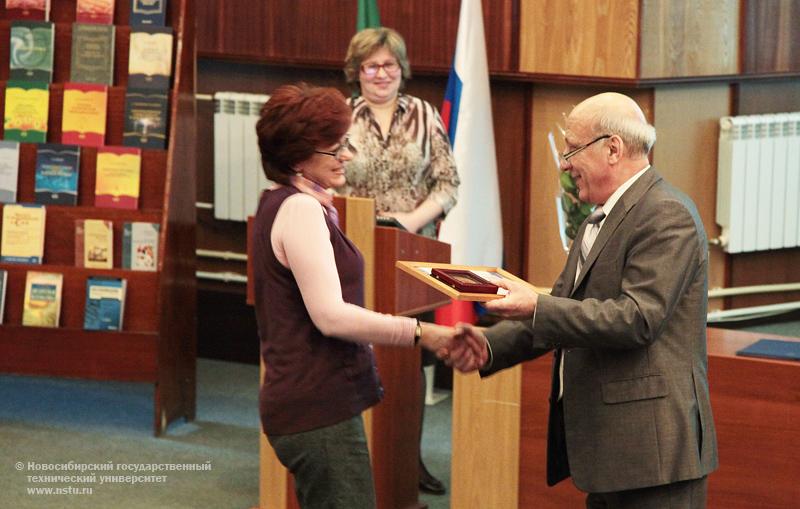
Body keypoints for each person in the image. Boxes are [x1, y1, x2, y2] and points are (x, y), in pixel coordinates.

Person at [445, 92, 719, 508]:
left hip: (653, 453)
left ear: (613, 148)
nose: (564, 162)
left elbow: (638, 319)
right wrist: (489, 345)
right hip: (612, 448)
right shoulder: (600, 217)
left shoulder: (667, 214)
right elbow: (564, 307)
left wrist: (535, 306)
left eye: (572, 148)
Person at [252, 82, 456, 509]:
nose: (346, 155)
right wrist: (422, 333)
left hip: (309, 402)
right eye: (333, 149)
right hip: (315, 407)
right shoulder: (301, 210)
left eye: (344, 143)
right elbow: (331, 318)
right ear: (296, 157)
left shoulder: (280, 202)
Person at [338, 27, 460, 495]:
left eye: (389, 65)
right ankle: (362, 453)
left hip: (414, 251)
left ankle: (408, 457)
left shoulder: (426, 115)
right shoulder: (341, 117)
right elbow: (331, 179)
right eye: (371, 65)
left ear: (401, 69)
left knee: (412, 356)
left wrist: (410, 221)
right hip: (355, 251)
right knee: (361, 351)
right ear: (357, 71)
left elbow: (448, 184)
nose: (381, 74)